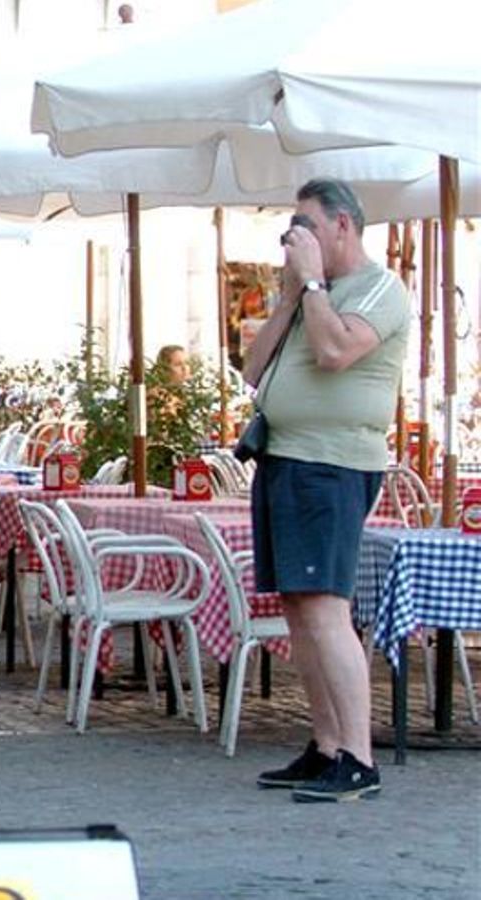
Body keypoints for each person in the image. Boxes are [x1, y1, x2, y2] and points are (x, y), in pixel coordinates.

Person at [242, 178, 409, 802]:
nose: (297, 238)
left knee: (326, 608)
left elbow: (338, 351)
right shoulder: (310, 294)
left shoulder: (379, 289)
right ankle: (326, 744)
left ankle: (359, 758)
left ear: (343, 225)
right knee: (298, 607)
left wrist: (311, 286)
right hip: (284, 458)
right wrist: (290, 297)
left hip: (332, 465)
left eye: (307, 225)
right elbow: (253, 371)